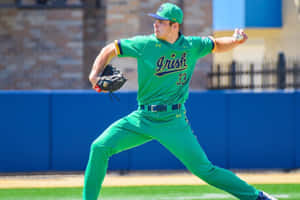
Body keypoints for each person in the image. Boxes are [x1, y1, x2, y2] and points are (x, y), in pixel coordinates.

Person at [84, 2, 278, 200]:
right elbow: (110, 48)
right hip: (143, 118)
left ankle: (256, 197)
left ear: (175, 26)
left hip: (172, 120)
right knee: (99, 147)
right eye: (156, 20)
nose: (155, 24)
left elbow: (216, 44)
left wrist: (235, 41)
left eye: (161, 22)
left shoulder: (191, 46)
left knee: (205, 170)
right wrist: (94, 74)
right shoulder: (145, 44)